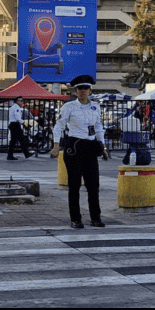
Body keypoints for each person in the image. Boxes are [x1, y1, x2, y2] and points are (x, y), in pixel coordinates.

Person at [51, 75, 108, 229]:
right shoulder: (69, 107)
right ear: (75, 91)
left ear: (90, 90)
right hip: (74, 147)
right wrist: (56, 145)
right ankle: (76, 219)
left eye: (85, 88)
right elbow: (59, 126)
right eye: (79, 89)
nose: (83, 91)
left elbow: (98, 127)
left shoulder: (95, 106)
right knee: (74, 185)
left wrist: (103, 147)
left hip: (90, 146)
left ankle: (96, 217)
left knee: (93, 185)